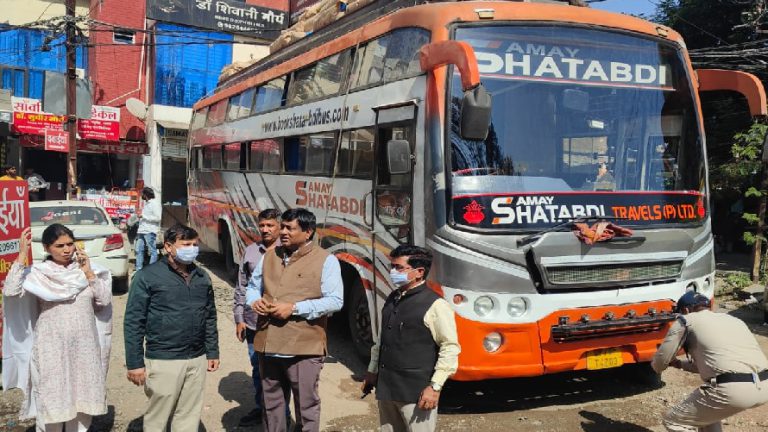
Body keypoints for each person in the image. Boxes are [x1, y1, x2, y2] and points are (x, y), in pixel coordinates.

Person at [3, 224, 112, 432]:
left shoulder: (87, 270)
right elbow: (10, 291)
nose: (67, 250)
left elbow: (104, 300)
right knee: (51, 398)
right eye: (59, 246)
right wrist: (22, 255)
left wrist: (88, 272)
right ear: (46, 248)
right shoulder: (38, 273)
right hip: (51, 347)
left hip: (84, 347)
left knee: (82, 400)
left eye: (70, 244)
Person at [246, 208, 343, 432]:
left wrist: (295, 308)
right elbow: (252, 286)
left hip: (304, 348)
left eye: (290, 228)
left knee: (306, 407)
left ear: (308, 232)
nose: (283, 232)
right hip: (269, 344)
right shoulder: (270, 256)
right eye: (283, 227)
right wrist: (254, 301)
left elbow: (335, 301)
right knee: (271, 406)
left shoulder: (326, 260)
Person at [124, 224, 220, 431]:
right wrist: (134, 363)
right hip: (164, 358)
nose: (192, 249)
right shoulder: (147, 277)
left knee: (188, 416)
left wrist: (212, 351)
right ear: (168, 246)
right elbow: (134, 321)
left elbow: (209, 316)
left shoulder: (202, 277)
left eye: (194, 245)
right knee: (157, 418)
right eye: (186, 244)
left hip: (196, 357)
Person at [361, 245, 460, 432]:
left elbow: (450, 347)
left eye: (399, 268)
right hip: (387, 388)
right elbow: (382, 339)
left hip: (416, 393)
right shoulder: (393, 297)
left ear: (419, 272)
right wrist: (372, 371)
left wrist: (435, 387)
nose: (393, 272)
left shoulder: (436, 305)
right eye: (392, 266)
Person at [652, 291, 768, 432]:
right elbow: (719, 364)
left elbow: (660, 362)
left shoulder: (686, 320)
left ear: (686, 310)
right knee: (706, 417)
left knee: (674, 421)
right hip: (764, 386)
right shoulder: (733, 320)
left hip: (733, 391)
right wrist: (680, 364)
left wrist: (654, 366)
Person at [234, 208, 284, 426]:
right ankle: (261, 408)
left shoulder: (288, 252)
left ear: (280, 227)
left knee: (280, 372)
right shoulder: (251, 251)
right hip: (254, 323)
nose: (265, 229)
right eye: (262, 225)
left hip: (281, 324)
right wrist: (239, 318)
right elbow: (241, 286)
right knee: (258, 368)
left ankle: (282, 415)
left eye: (270, 225)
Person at [134, 187, 162, 271]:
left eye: (142, 194)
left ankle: (151, 270)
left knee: (152, 251)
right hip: (142, 230)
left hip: (150, 231)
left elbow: (158, 218)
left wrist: (143, 216)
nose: (141, 195)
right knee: (139, 250)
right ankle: (139, 269)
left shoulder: (154, 203)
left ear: (145, 194)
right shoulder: (147, 204)